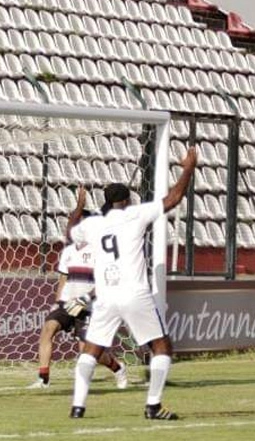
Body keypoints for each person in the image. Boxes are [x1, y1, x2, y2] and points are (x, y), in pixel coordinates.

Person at [66, 145, 197, 420]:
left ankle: (78, 407)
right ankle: (153, 405)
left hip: (105, 296)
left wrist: (78, 207)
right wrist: (188, 168)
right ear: (126, 200)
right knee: (161, 346)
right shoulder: (135, 214)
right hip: (134, 292)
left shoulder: (94, 225)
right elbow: (173, 199)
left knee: (92, 350)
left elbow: (70, 232)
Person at [27, 215, 128, 390]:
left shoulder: (101, 252)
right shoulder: (68, 251)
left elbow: (105, 282)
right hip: (67, 303)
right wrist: (57, 302)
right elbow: (63, 279)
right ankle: (43, 379)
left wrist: (87, 298)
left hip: (89, 306)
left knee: (87, 351)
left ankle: (117, 368)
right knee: (48, 329)